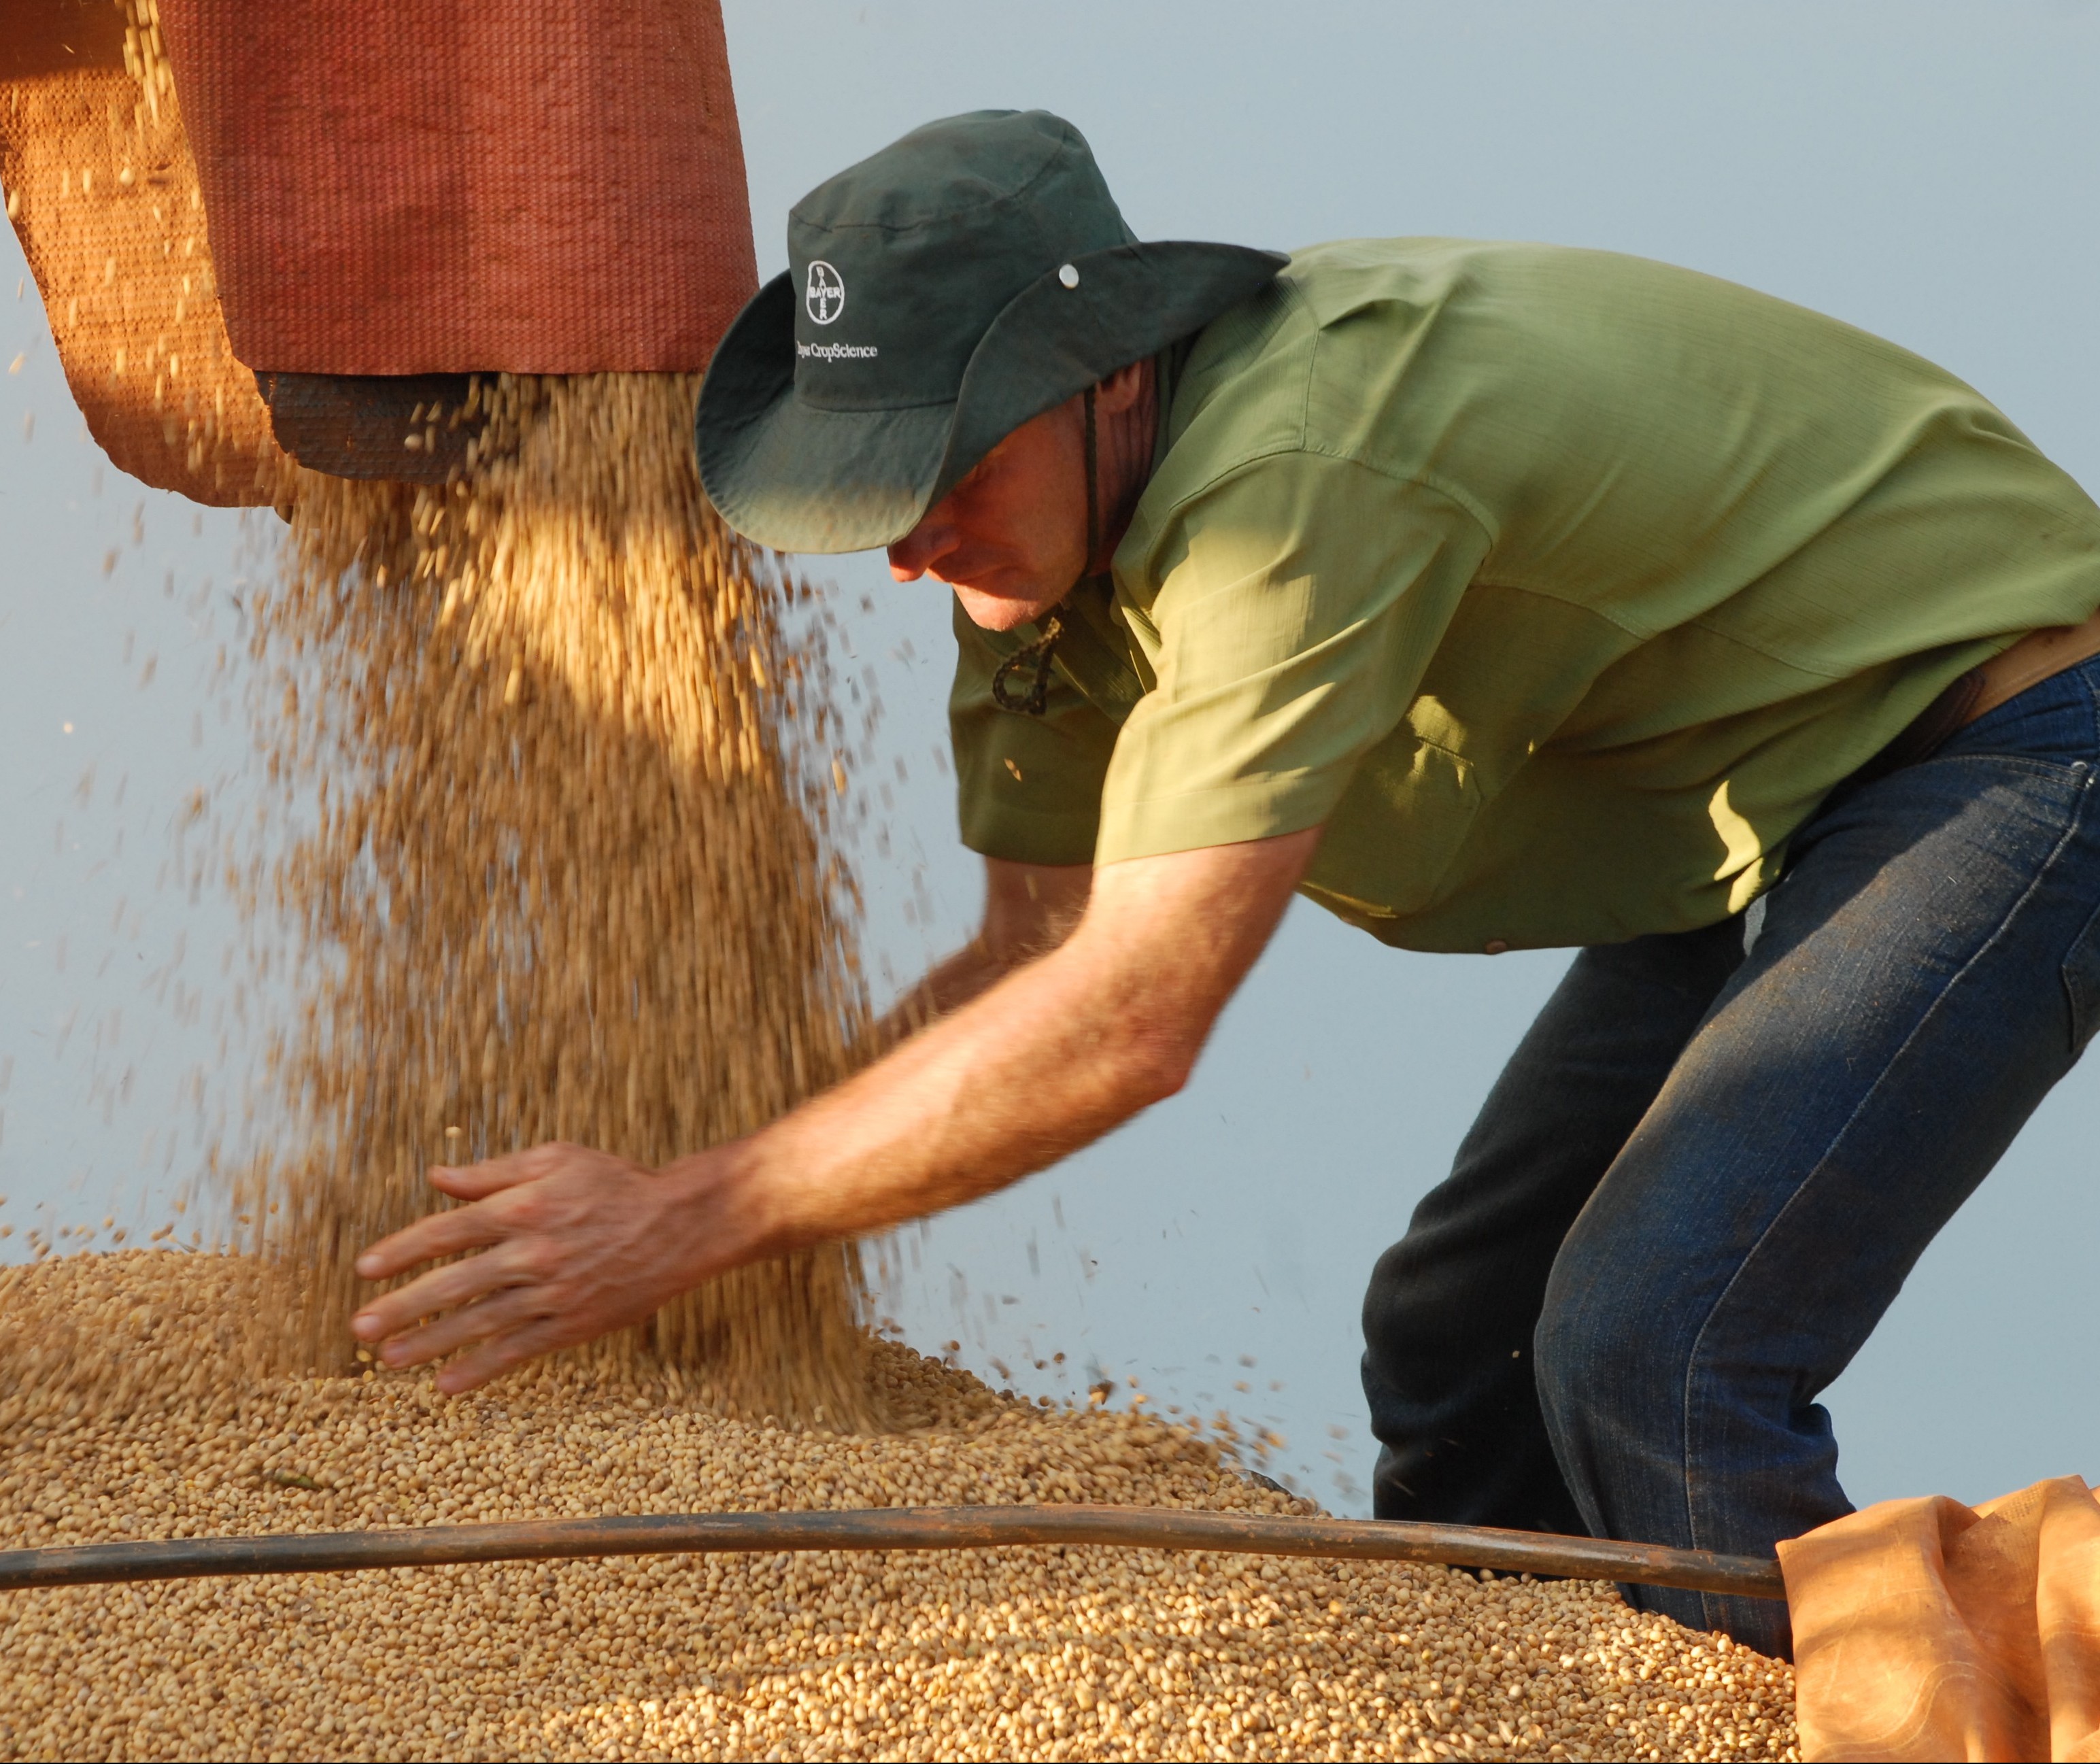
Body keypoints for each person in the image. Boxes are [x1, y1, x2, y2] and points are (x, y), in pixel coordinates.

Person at [349, 109, 2100, 1655]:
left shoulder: (1283, 481)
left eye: (940, 466)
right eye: (866, 490)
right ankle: (1521, 1705)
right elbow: (1025, 962)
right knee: (1456, 1338)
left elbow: (1125, 1019)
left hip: (2006, 735)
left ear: (1110, 369)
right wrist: (697, 1181)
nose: (903, 544)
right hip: (1753, 799)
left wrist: (689, 1222)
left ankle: (1852, 1712)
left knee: (1659, 1341)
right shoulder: (1029, 568)